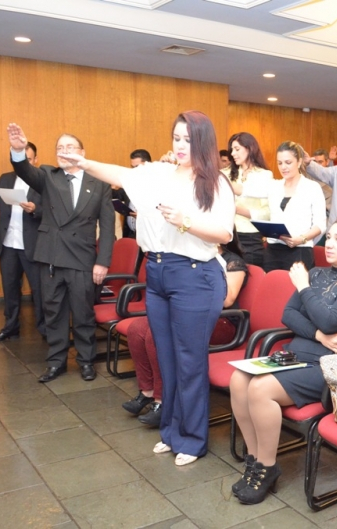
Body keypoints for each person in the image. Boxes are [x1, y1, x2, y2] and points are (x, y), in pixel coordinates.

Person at [55, 110, 235, 467]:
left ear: (203, 142)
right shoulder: (159, 173)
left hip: (195, 276)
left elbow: (225, 234)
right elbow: (120, 174)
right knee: (166, 357)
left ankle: (193, 439)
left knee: (189, 361)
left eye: (188, 140)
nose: (180, 146)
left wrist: (186, 221)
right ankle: (171, 431)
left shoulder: (214, 182)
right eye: (176, 138)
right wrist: (83, 162)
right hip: (158, 271)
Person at [229, 217, 337, 504]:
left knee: (259, 389)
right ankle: (255, 459)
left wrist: (303, 287)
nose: (328, 244)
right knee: (239, 379)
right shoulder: (317, 273)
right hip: (297, 354)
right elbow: (289, 315)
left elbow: (329, 319)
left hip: (329, 367)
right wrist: (319, 335)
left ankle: (267, 467)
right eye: (328, 237)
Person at [6, 125, 115, 383]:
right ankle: (56, 362)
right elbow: (24, 170)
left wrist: (103, 261)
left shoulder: (99, 183)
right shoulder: (48, 175)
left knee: (83, 313)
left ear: (82, 153)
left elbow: (108, 226)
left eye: (70, 147)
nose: (64, 152)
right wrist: (18, 151)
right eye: (60, 148)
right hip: (52, 257)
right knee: (53, 313)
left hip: (82, 259)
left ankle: (86, 361)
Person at [123, 237, 248, 427]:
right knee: (137, 329)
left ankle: (162, 400)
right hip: (183, 312)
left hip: (221, 320)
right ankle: (147, 391)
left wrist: (204, 278)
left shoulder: (232, 261)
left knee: (153, 337)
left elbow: (228, 299)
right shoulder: (186, 257)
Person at [0, 141, 46, 343]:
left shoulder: (43, 181)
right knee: (10, 289)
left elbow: (53, 211)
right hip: (8, 246)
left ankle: (46, 329)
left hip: (33, 246)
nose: (24, 163)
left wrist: (36, 210)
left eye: (28, 159)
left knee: (39, 291)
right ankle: (11, 327)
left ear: (35, 160)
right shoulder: (6, 178)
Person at [263, 141, 326, 272]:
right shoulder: (274, 187)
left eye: (288, 162)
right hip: (273, 250)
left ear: (299, 162)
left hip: (300, 250)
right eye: (280, 163)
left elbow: (320, 225)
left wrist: (301, 239)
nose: (283, 167)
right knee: (271, 283)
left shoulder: (312, 187)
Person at [228, 132, 273, 267]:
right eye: (232, 150)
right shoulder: (226, 173)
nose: (233, 153)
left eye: (237, 149)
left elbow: (267, 214)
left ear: (249, 148)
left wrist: (237, 210)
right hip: (229, 234)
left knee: (251, 276)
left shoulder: (264, 175)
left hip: (251, 237)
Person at [114, 149, 152, 239]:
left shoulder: (157, 186)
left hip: (148, 237)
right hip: (130, 235)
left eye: (137, 167)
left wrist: (143, 216)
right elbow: (116, 195)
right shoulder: (130, 183)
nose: (134, 170)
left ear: (148, 165)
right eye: (132, 167)